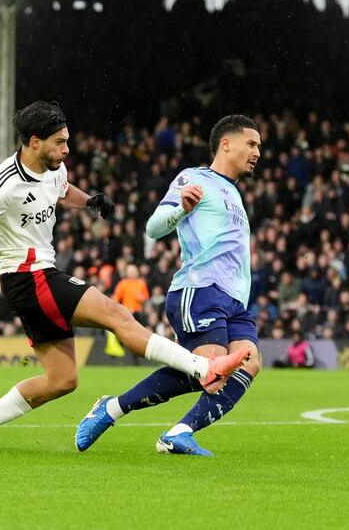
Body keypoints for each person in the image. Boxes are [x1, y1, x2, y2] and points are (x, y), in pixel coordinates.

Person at [0, 102, 249, 451]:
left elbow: (62, 189)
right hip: (28, 277)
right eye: (59, 142)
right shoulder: (2, 182)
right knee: (118, 315)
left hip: (40, 278)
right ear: (34, 141)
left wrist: (89, 201)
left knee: (62, 380)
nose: (67, 149)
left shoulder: (54, 167)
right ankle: (202, 368)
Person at [76, 114, 263, 456]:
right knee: (210, 370)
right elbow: (154, 227)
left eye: (259, 147)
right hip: (200, 289)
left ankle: (179, 432)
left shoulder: (234, 195)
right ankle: (112, 409)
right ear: (226, 144)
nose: (257, 152)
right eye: (251, 144)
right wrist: (181, 208)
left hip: (234, 300)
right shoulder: (194, 178)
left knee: (248, 363)